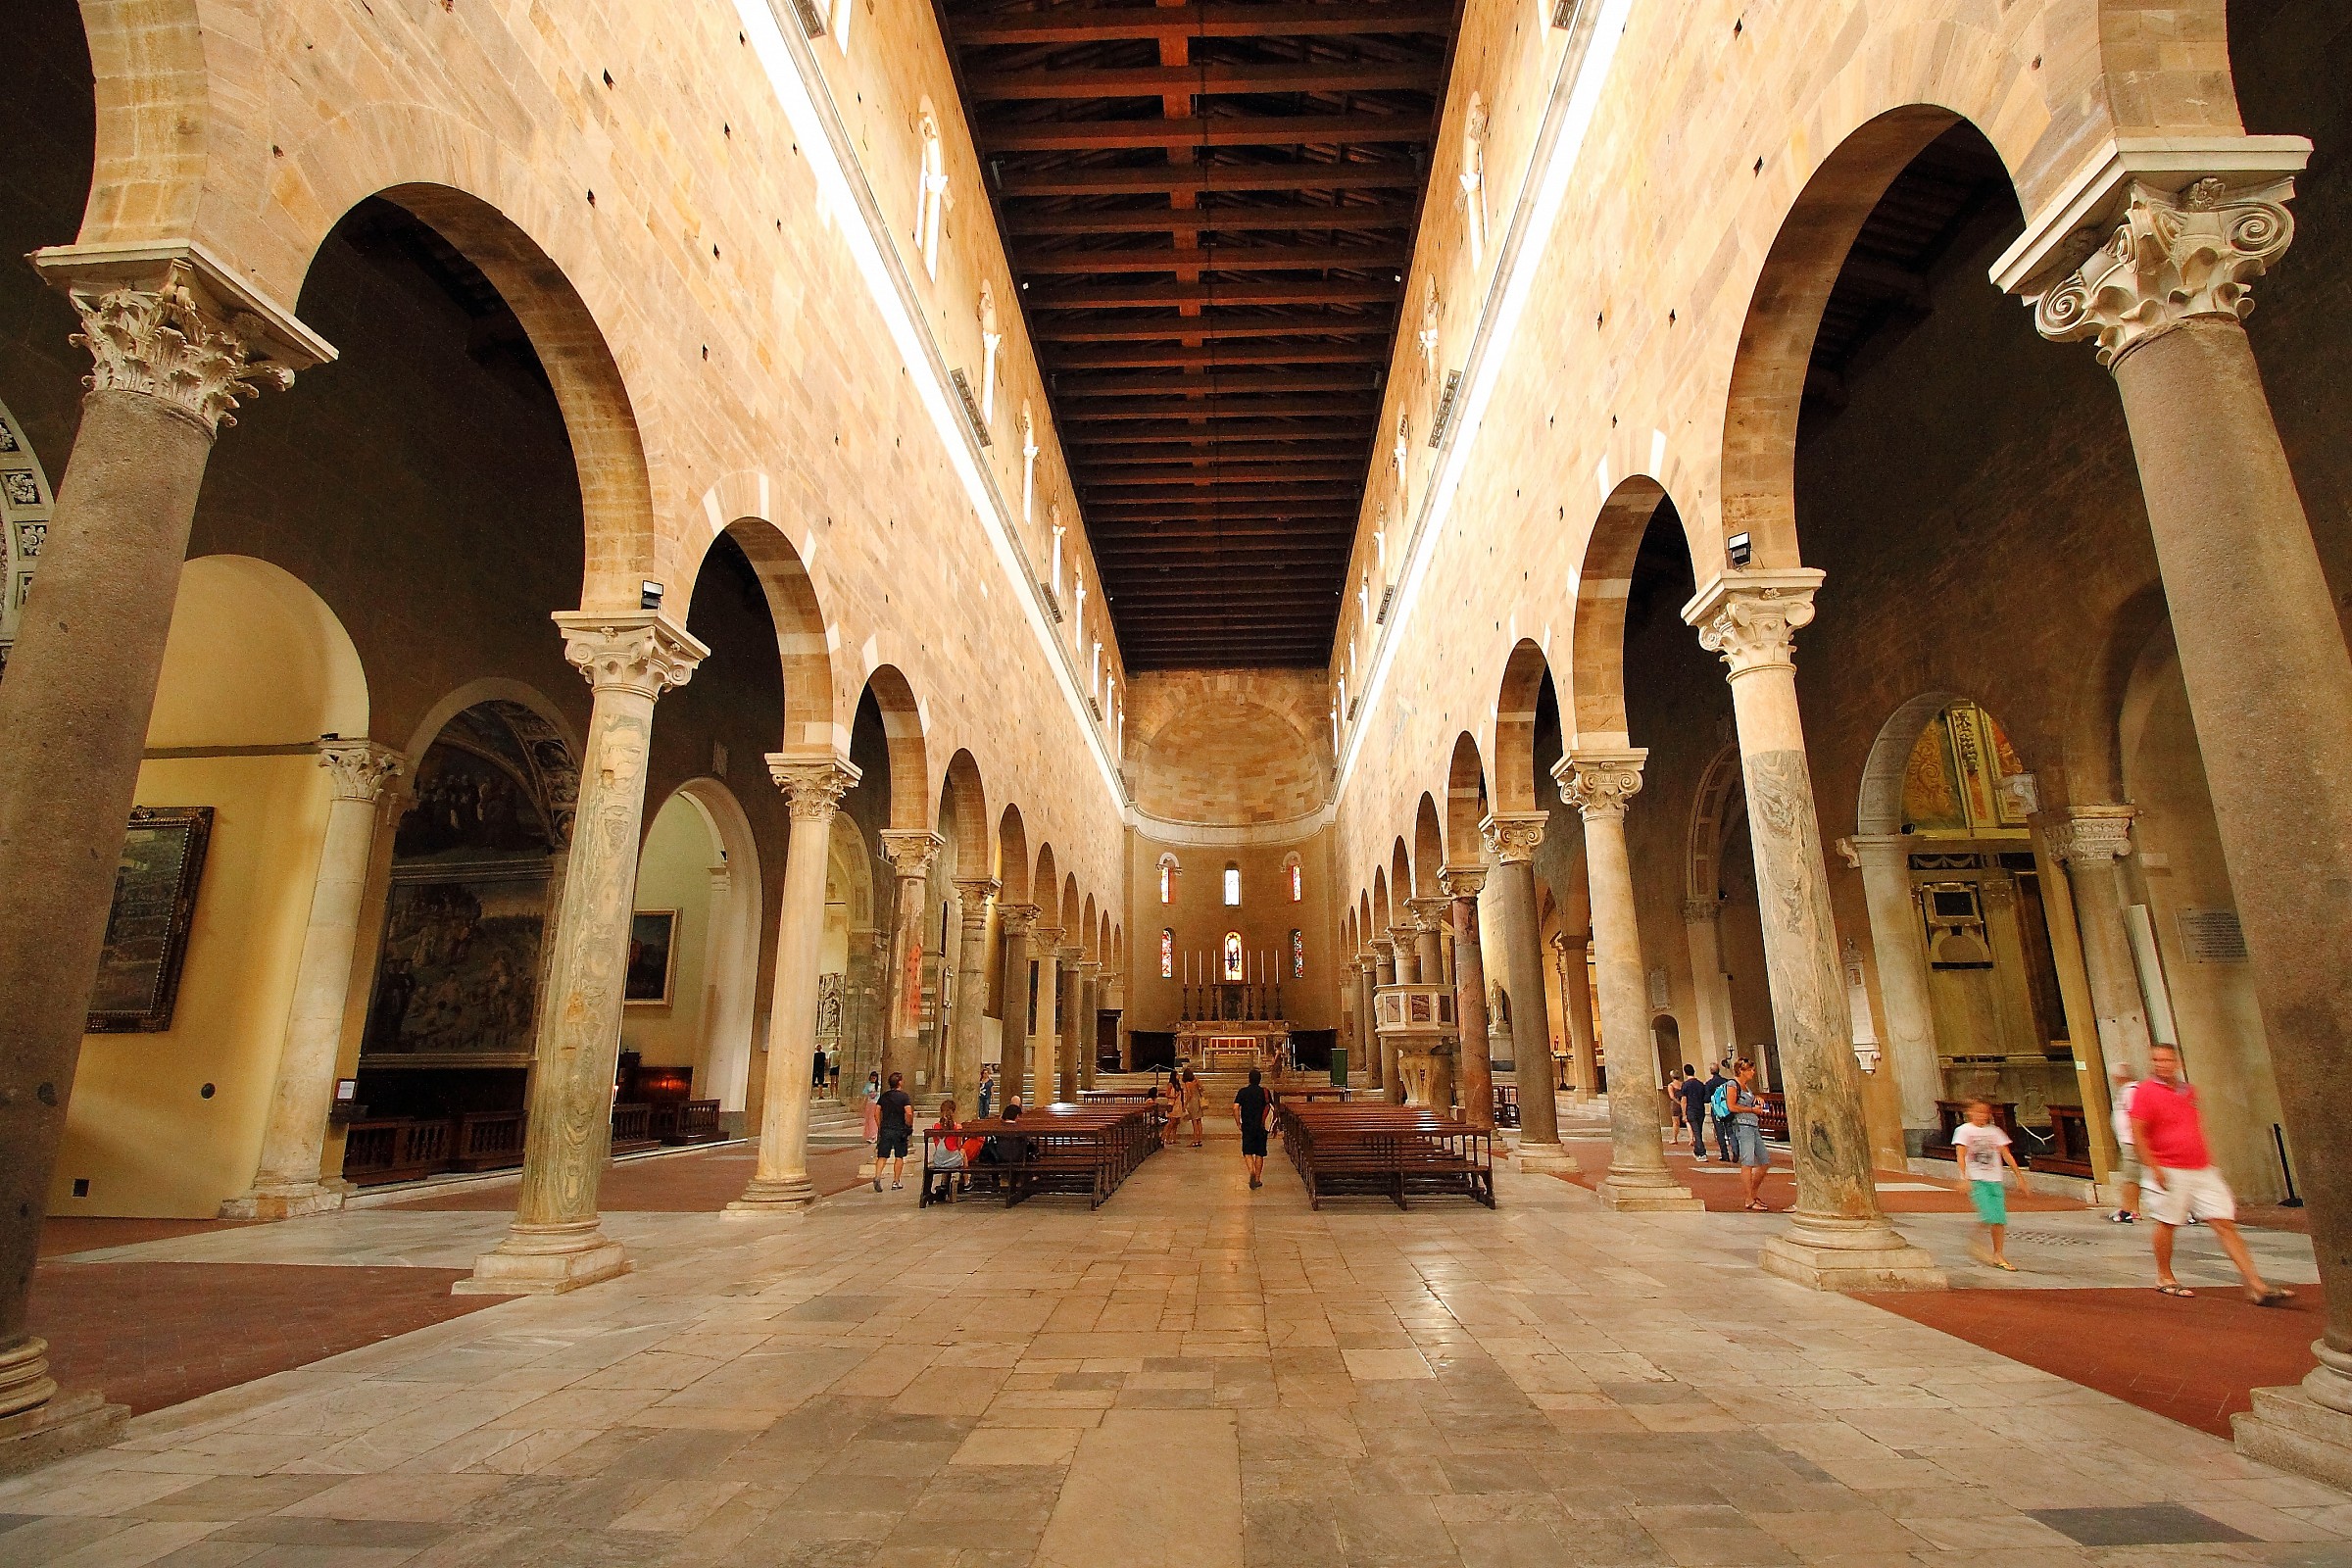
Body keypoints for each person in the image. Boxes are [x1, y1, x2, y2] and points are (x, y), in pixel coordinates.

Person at [2132, 1043, 2292, 1304]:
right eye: (2156, 1060)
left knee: (2224, 1222)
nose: (2161, 1064)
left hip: (2201, 1168)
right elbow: (2138, 1133)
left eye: (2166, 1060)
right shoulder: (2145, 1092)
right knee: (2168, 1222)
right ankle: (2164, 1276)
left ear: (2177, 1063)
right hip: (2167, 1168)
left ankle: (2255, 1284)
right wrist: (2153, 1166)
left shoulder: (2189, 1091)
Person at [1952, 1100, 2022, 1271]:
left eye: (1985, 1112)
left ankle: (1998, 1254)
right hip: (1977, 1179)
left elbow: (2006, 1154)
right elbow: (1961, 1155)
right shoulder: (1963, 1131)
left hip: (1995, 1179)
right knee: (1989, 1215)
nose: (1982, 1116)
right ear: (1970, 1112)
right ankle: (1975, 1242)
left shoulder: (1995, 1131)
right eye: (1978, 1112)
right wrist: (1964, 1177)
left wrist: (2019, 1177)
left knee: (1999, 1219)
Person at [1725, 1058, 1771, 1210]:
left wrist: (1756, 1099)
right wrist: (1752, 1110)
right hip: (1742, 1126)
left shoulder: (1746, 1087)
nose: (1753, 1072)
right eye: (1750, 1070)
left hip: (1753, 1125)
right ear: (1741, 1071)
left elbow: (1747, 1101)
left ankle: (1753, 1193)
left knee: (1764, 1161)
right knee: (1748, 1162)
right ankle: (1748, 1198)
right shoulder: (1733, 1084)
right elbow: (1731, 1106)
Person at [2107, 1061, 2141, 1223]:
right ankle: (2132, 1209)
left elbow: (2137, 1118)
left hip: (2133, 1142)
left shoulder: (2133, 1091)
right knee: (2131, 1177)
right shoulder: (2126, 1091)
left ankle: (2128, 1210)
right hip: (2128, 1142)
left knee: (2131, 1178)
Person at [925, 1099, 976, 1201]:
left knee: (944, 1154)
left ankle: (944, 1182)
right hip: (952, 1160)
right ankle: (967, 1180)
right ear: (953, 1112)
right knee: (963, 1152)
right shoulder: (957, 1127)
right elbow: (958, 1146)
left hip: (938, 1161)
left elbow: (936, 1145)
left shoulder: (935, 1126)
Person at [873, 1071, 913, 1193]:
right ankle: (896, 1181)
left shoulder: (884, 1096)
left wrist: (881, 1126)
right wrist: (909, 1124)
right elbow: (909, 1112)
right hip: (899, 1129)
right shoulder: (904, 1096)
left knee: (882, 1155)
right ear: (899, 1082)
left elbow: (876, 1112)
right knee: (899, 1156)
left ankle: (877, 1176)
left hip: (886, 1128)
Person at [1234, 1066, 1272, 1191]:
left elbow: (1235, 1107)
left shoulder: (1243, 1092)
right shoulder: (1265, 1092)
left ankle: (1251, 1171)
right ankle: (1257, 1179)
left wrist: (1238, 1122)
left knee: (1247, 1151)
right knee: (1260, 1152)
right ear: (1260, 1080)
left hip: (1248, 1125)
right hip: (1261, 1126)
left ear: (1249, 1079)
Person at [1675, 1064, 1711, 1158]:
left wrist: (1684, 1114)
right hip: (1700, 1109)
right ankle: (1697, 1149)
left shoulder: (1685, 1085)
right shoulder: (1701, 1084)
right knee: (1698, 1130)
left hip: (1691, 1109)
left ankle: (1701, 1152)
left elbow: (1684, 1100)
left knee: (1696, 1131)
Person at [1707, 1063, 1737, 1166]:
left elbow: (1706, 1099)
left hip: (1716, 1110)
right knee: (1730, 1131)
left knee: (1720, 1132)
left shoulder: (1710, 1084)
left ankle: (1725, 1154)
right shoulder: (1726, 1082)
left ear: (1711, 1071)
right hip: (1727, 1108)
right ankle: (1735, 1151)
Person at [1181, 1066, 1204, 1148]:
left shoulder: (1187, 1084)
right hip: (1198, 1100)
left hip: (1192, 1102)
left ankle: (1195, 1140)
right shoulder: (1195, 1081)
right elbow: (1202, 1088)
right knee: (1199, 1121)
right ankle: (1199, 1139)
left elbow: (1189, 1095)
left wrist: (1185, 1104)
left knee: (1194, 1121)